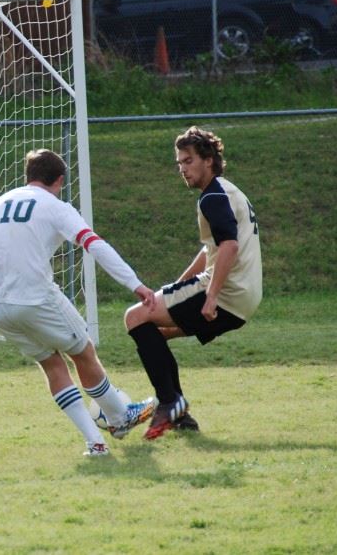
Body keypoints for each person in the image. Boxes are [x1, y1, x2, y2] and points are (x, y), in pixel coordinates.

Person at [0, 149, 157, 458]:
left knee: (51, 364)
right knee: (83, 351)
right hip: (36, 298)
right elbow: (95, 245)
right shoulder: (57, 207)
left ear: (28, 176)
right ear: (59, 180)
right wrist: (135, 284)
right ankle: (119, 417)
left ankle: (96, 443)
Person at [124, 126, 262, 440]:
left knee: (134, 317)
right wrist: (179, 285)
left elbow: (229, 247)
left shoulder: (212, 196)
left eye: (188, 161)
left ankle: (171, 402)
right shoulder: (230, 190)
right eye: (179, 163)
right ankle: (180, 415)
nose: (182, 169)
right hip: (246, 300)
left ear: (209, 159)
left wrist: (210, 296)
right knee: (154, 333)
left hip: (225, 292)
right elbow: (212, 248)